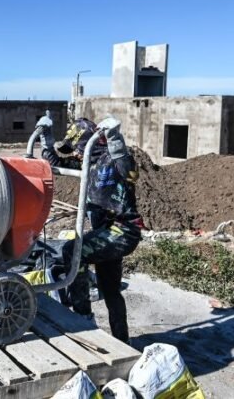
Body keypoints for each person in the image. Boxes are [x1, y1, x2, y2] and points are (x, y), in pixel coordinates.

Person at [61, 117, 142, 343]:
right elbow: (53, 162)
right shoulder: (88, 164)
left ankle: (83, 317)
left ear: (90, 143)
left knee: (72, 251)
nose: (76, 154)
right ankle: (123, 342)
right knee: (110, 290)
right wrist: (45, 137)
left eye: (78, 148)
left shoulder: (112, 160)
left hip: (123, 230)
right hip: (106, 233)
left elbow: (131, 173)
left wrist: (115, 140)